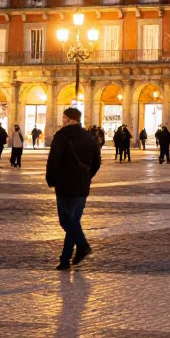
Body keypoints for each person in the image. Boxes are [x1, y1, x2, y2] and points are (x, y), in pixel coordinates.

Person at [45, 106, 101, 269]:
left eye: (63, 117)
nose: (62, 120)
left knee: (66, 220)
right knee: (73, 221)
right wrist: (87, 176)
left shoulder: (61, 135)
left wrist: (51, 179)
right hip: (82, 185)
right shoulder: (88, 136)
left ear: (69, 119)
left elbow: (54, 160)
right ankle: (65, 259)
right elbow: (97, 162)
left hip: (64, 184)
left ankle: (82, 246)